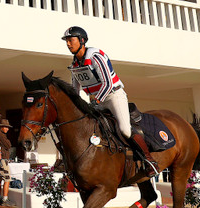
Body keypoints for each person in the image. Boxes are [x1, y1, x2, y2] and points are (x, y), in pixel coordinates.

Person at [61, 26, 159, 177]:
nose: (68, 44)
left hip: (113, 95)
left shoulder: (95, 56)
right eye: (66, 41)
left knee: (125, 129)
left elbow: (107, 83)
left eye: (70, 40)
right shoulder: (74, 64)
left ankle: (149, 160)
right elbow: (75, 91)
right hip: (97, 100)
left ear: (81, 40)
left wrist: (96, 101)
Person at [0, 118, 13, 206]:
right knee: (7, 178)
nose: (7, 129)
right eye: (5, 127)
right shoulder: (1, 135)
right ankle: (5, 199)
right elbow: (8, 145)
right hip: (3, 159)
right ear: (1, 127)